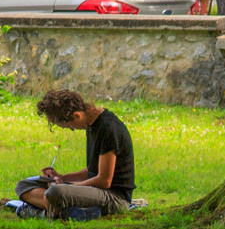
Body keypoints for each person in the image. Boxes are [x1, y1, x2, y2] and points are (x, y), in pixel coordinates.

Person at [18, 89, 137, 218]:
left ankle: (46, 212)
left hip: (114, 198)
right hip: (94, 191)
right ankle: (64, 211)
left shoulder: (108, 128)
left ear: (77, 115)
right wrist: (62, 177)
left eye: (69, 125)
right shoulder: (91, 124)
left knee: (55, 192)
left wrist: (67, 186)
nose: (72, 129)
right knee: (23, 185)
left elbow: (104, 180)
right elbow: (92, 170)